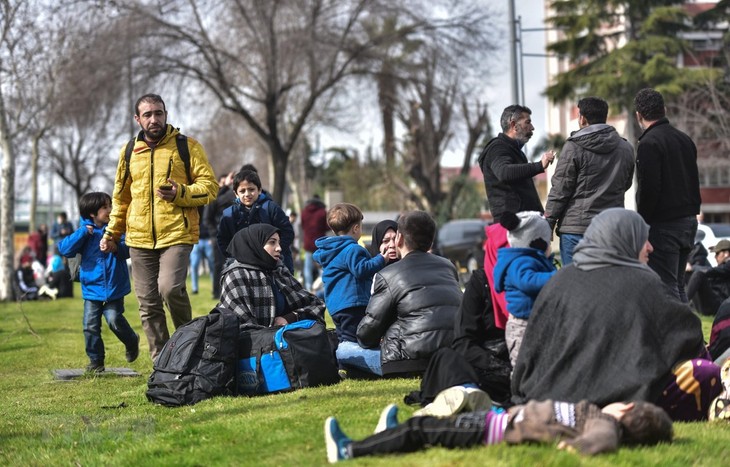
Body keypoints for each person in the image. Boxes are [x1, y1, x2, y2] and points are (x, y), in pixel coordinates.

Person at [511, 208, 721, 422]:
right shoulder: (642, 281)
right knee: (705, 372)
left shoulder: (559, 279)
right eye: (643, 240)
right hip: (623, 401)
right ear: (625, 240)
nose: (650, 247)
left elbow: (531, 353)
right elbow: (688, 334)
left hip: (548, 398)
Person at [100, 93, 218, 360]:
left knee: (170, 288)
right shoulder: (129, 151)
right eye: (148, 115)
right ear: (138, 119)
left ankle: (190, 347)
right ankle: (162, 361)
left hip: (177, 232)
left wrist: (180, 193)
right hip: (139, 238)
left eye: (159, 113)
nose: (154, 119)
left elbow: (210, 188)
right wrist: (111, 233)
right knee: (148, 303)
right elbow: (121, 198)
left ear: (166, 114)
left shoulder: (187, 146)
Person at [324, 395, 673, 463]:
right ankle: (392, 433)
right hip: (494, 420)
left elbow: (604, 440)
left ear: (626, 408)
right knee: (429, 426)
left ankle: (349, 450)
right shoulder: (594, 415)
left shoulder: (604, 422)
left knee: (421, 430)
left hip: (489, 431)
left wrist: (578, 449)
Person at [477, 105, 555, 332]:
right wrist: (539, 166)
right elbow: (505, 172)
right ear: (513, 124)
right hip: (512, 232)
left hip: (522, 229)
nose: (532, 127)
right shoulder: (498, 149)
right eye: (527, 122)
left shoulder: (511, 149)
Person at [357, 210, 461, 376]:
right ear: (431, 240)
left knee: (344, 349)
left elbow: (366, 334)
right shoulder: (448, 266)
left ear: (399, 239)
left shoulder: (388, 274)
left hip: (407, 361)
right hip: (452, 356)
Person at [544, 96, 635, 265]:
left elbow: (561, 189)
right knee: (607, 283)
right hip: (611, 226)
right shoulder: (626, 148)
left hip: (576, 229)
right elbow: (626, 184)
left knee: (575, 284)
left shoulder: (573, 147)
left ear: (582, 118)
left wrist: (549, 221)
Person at [59, 192, 140, 373]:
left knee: (113, 319)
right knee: (90, 325)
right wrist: (82, 233)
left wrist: (115, 246)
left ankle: (131, 340)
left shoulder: (116, 229)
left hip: (114, 285)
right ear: (92, 214)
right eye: (105, 207)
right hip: (92, 287)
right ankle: (96, 360)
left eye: (110, 205)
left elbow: (129, 249)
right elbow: (64, 249)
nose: (110, 210)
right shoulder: (84, 232)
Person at [634, 88, 701, 302]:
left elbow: (649, 189)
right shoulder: (685, 139)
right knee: (678, 285)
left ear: (638, 115)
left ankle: (679, 334)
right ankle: (689, 334)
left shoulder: (648, 144)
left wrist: (643, 224)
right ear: (664, 110)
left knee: (667, 287)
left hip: (664, 225)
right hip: (688, 221)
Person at [314, 203, 389, 375]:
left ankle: (344, 368)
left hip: (336, 306)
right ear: (356, 228)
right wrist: (381, 259)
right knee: (358, 338)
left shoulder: (331, 250)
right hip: (353, 303)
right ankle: (354, 367)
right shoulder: (353, 249)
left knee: (344, 338)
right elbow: (361, 269)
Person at [218, 224, 325, 327]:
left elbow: (316, 304)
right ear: (256, 245)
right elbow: (242, 326)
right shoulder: (236, 276)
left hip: (288, 341)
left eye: (279, 242)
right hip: (253, 343)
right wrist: (273, 335)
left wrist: (291, 317)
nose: (279, 248)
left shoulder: (279, 271)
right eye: (272, 242)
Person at [493, 211, 556, 367]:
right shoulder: (520, 262)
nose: (550, 245)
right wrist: (556, 277)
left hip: (534, 321)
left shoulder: (533, 259)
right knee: (523, 366)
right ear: (534, 242)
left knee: (540, 363)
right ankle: (520, 391)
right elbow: (528, 281)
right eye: (547, 241)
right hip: (521, 326)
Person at [217, 169, 295, 272]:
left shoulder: (271, 209)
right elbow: (223, 239)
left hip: (274, 265)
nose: (247, 194)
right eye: (242, 191)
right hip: (242, 266)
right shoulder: (229, 214)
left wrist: (275, 251)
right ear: (236, 193)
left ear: (259, 190)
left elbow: (287, 232)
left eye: (251, 189)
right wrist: (234, 256)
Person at [205, 171, 236, 299]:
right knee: (218, 265)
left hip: (233, 237)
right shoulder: (216, 197)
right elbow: (207, 218)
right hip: (219, 237)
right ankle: (216, 292)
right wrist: (215, 234)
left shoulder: (234, 196)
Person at [687, 239, 730, 316]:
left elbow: (713, 271)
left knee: (698, 274)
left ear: (726, 254)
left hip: (719, 306)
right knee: (691, 274)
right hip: (714, 304)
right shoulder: (723, 267)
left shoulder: (727, 266)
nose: (715, 257)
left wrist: (692, 267)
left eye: (717, 253)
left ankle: (682, 303)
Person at [301, 194, 329, 291]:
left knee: (307, 268)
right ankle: (323, 288)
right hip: (320, 244)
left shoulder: (304, 212)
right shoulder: (322, 212)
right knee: (321, 268)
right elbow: (327, 226)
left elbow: (303, 226)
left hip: (308, 244)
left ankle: (309, 288)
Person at [189, 206, 215, 295]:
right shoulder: (194, 208)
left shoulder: (210, 207)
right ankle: (194, 289)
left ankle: (214, 288)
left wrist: (212, 237)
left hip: (208, 240)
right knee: (194, 265)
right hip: (197, 241)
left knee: (212, 266)